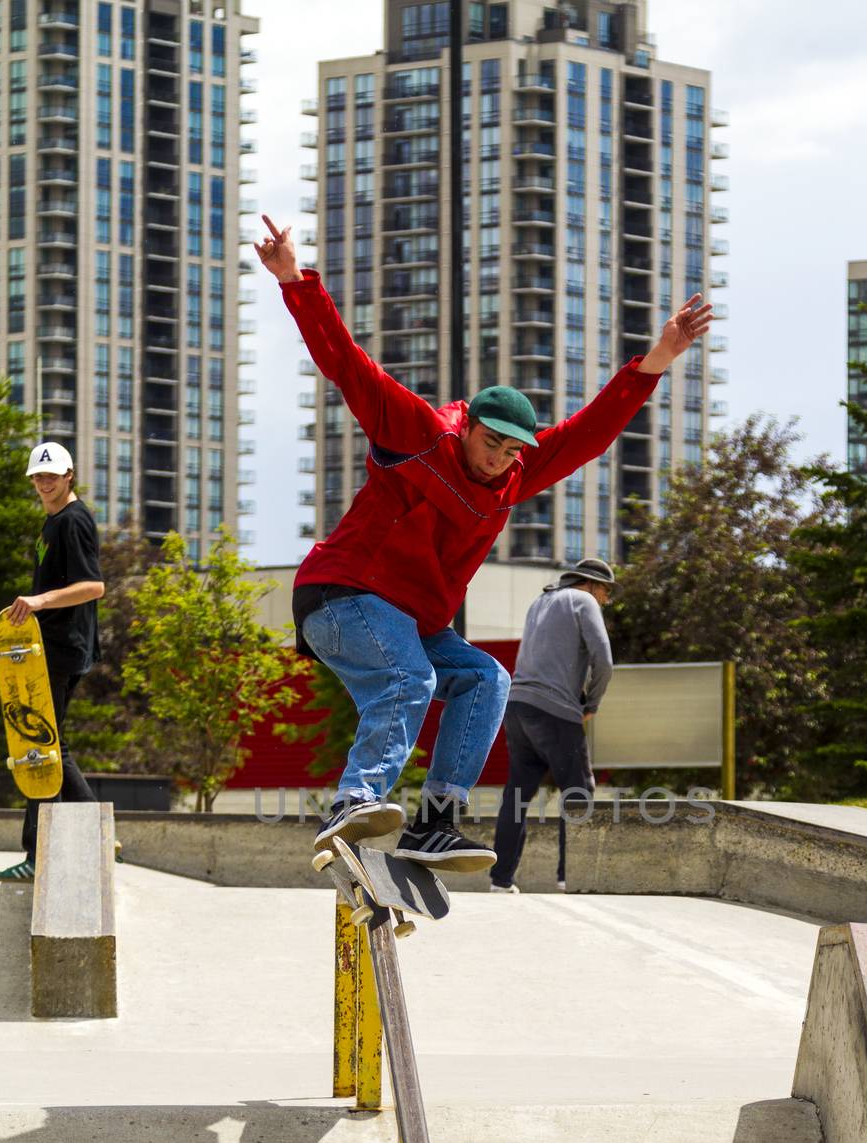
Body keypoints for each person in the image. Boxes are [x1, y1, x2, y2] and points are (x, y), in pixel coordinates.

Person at [255, 212, 711, 871]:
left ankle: (435, 822)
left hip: (410, 618)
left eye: (510, 450)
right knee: (408, 678)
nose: (498, 459)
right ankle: (354, 802)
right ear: (468, 425)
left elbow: (587, 434)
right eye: (489, 442)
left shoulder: (517, 472)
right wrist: (295, 280)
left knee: (485, 678)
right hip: (344, 595)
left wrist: (654, 363)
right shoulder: (416, 431)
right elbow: (346, 365)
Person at [0, 441, 104, 883]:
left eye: (51, 476)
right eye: (38, 477)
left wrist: (38, 601)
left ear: (69, 475)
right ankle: (90, 830)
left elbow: (93, 586)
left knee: (39, 746)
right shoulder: (52, 520)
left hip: (61, 647)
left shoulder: (73, 521)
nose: (44, 484)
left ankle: (39, 853)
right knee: (46, 745)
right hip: (52, 645)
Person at [490, 558, 615, 893]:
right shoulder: (583, 600)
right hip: (555, 710)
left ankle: (500, 881)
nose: (606, 600)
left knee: (517, 794)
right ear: (590, 584)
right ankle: (570, 879)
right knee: (578, 793)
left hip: (517, 708)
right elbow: (604, 659)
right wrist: (592, 704)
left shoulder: (539, 601)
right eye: (606, 592)